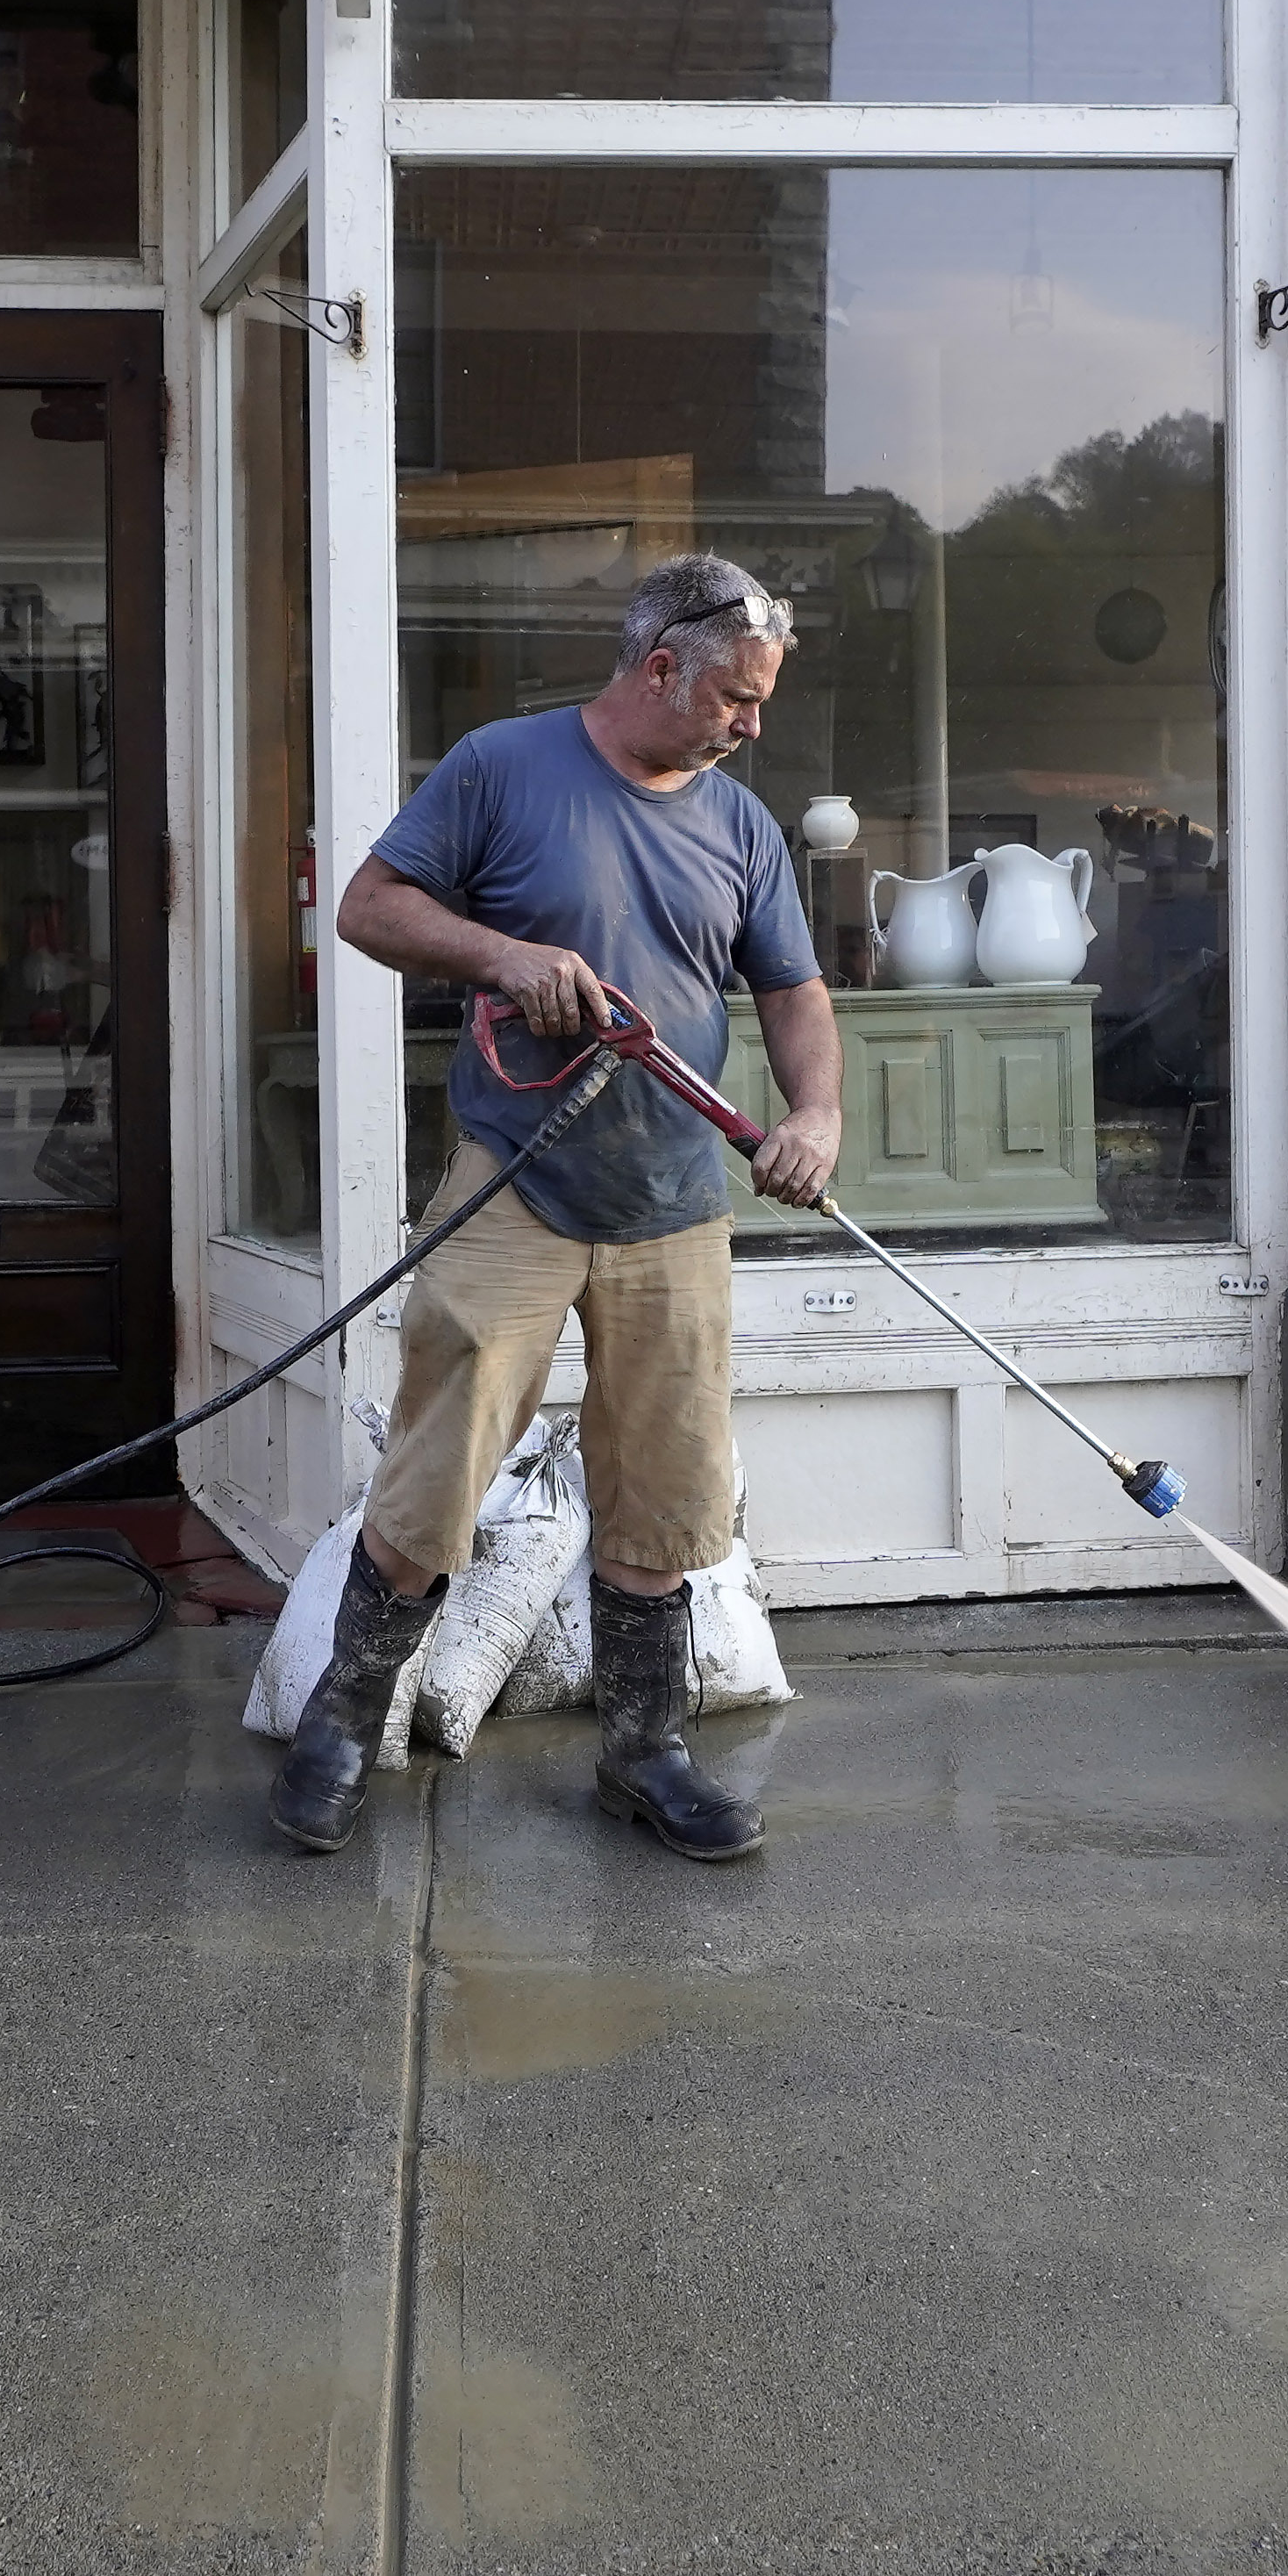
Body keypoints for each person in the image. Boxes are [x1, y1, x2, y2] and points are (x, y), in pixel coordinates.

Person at [272, 552, 847, 1864]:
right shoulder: (500, 767)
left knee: (662, 1485)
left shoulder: (742, 826)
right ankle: (347, 1723)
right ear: (661, 670)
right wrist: (505, 955)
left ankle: (644, 1753)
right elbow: (371, 907)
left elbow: (795, 994)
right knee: (442, 1456)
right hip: (515, 1185)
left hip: (676, 1202)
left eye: (760, 703)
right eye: (736, 700)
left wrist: (813, 1119)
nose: (751, 726)